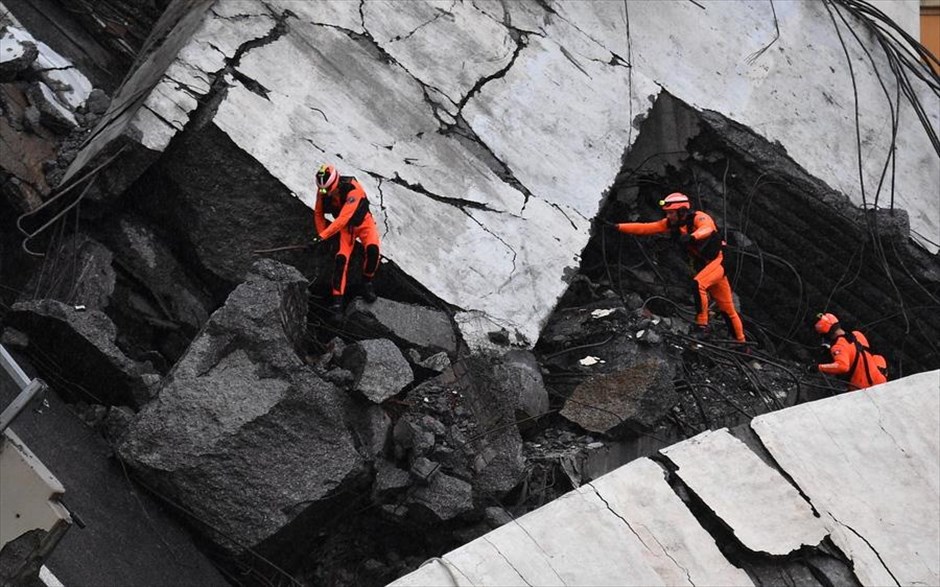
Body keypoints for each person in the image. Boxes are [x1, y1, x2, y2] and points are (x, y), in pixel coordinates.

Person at [611, 192, 746, 343]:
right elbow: (645, 228)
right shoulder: (671, 224)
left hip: (721, 259)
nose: (669, 216)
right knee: (727, 308)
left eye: (671, 213)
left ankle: (703, 327)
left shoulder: (699, 217)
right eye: (667, 213)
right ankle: (743, 344)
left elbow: (707, 228)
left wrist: (693, 237)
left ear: (682, 211)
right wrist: (617, 227)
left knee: (698, 284)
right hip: (709, 265)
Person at [313, 163, 380, 315]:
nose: (326, 193)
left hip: (364, 223)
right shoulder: (323, 191)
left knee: (373, 250)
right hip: (346, 230)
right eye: (322, 190)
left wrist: (322, 236)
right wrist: (321, 235)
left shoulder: (353, 189)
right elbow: (318, 213)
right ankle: (337, 303)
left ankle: (367, 282)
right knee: (341, 260)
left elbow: (344, 217)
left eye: (328, 190)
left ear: (336, 182)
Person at [813, 312, 888, 391]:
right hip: (881, 381)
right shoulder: (858, 335)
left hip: (863, 389)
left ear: (826, 334)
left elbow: (843, 367)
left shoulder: (838, 346)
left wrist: (819, 367)